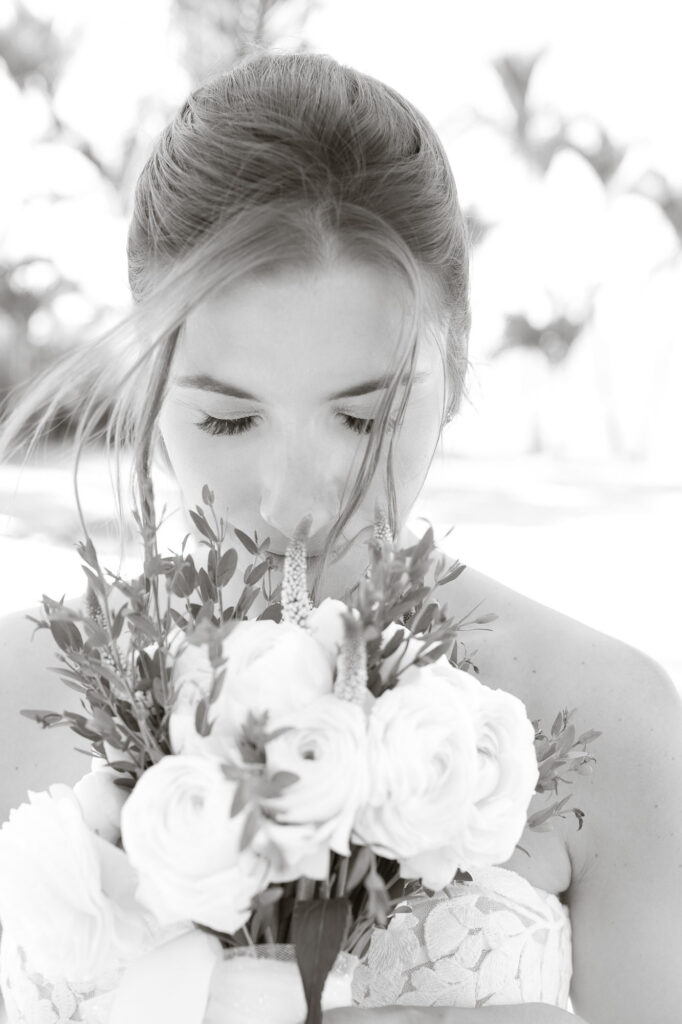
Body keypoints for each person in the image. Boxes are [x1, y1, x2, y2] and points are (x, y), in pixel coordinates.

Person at [0, 50, 681, 1024]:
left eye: (363, 419)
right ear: (147, 381)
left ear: (456, 369)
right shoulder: (10, 690)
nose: (294, 504)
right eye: (228, 419)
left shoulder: (614, 718)